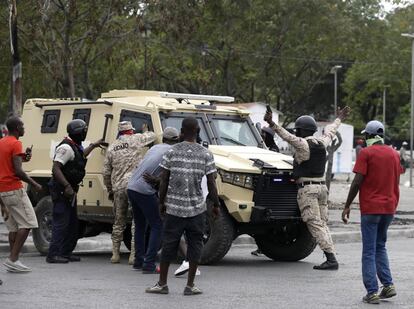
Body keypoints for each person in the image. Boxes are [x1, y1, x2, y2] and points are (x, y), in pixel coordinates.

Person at [264, 106, 350, 270]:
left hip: (308, 190)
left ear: (301, 131)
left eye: (297, 130)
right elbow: (331, 131)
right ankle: (331, 256)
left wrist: (271, 123)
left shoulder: (303, 145)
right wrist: (339, 118)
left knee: (315, 224)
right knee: (323, 224)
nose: (296, 133)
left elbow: (287, 136)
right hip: (322, 189)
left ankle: (331, 259)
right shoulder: (322, 143)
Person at [146, 117, 220, 295]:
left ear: (181, 131)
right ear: (198, 131)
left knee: (169, 244)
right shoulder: (206, 154)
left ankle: (162, 284)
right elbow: (211, 182)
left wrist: (161, 202)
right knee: (195, 246)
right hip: (197, 209)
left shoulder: (172, 152)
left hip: (174, 208)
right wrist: (215, 205)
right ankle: (190, 285)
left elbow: (164, 180)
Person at [342, 120, 402, 304]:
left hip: (371, 209)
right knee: (380, 246)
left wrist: (347, 205)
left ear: (368, 136)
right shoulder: (394, 154)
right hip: (389, 208)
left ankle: (372, 291)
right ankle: (388, 284)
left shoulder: (366, 153)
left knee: (369, 250)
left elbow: (357, 181)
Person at [46, 119, 103, 263]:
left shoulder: (75, 146)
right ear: (78, 132)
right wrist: (66, 186)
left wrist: (94, 145)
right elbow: (56, 168)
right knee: (61, 222)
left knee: (72, 223)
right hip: (62, 190)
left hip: (70, 191)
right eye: (84, 131)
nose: (85, 133)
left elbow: (81, 155)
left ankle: (65, 252)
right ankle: (53, 255)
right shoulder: (65, 148)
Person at [127, 127, 179, 273]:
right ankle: (149, 263)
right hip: (144, 190)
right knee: (158, 225)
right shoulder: (172, 152)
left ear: (163, 139)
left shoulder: (154, 148)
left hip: (131, 187)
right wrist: (157, 181)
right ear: (176, 140)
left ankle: (139, 261)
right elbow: (169, 176)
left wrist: (157, 179)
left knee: (140, 226)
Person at [103, 121, 156, 265]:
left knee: (119, 221)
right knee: (135, 222)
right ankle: (133, 255)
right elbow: (152, 135)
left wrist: (109, 189)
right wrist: (145, 129)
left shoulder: (112, 147)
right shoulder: (137, 139)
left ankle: (115, 254)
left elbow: (106, 172)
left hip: (118, 188)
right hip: (134, 186)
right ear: (131, 131)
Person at [0, 116, 42, 272]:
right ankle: (12, 259)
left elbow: (7, 162)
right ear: (17, 128)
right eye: (23, 126)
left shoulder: (2, 142)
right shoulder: (16, 143)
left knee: (14, 227)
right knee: (28, 223)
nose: (24, 128)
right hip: (14, 190)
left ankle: (13, 261)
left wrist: (24, 157)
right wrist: (35, 184)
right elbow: (18, 171)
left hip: (3, 191)